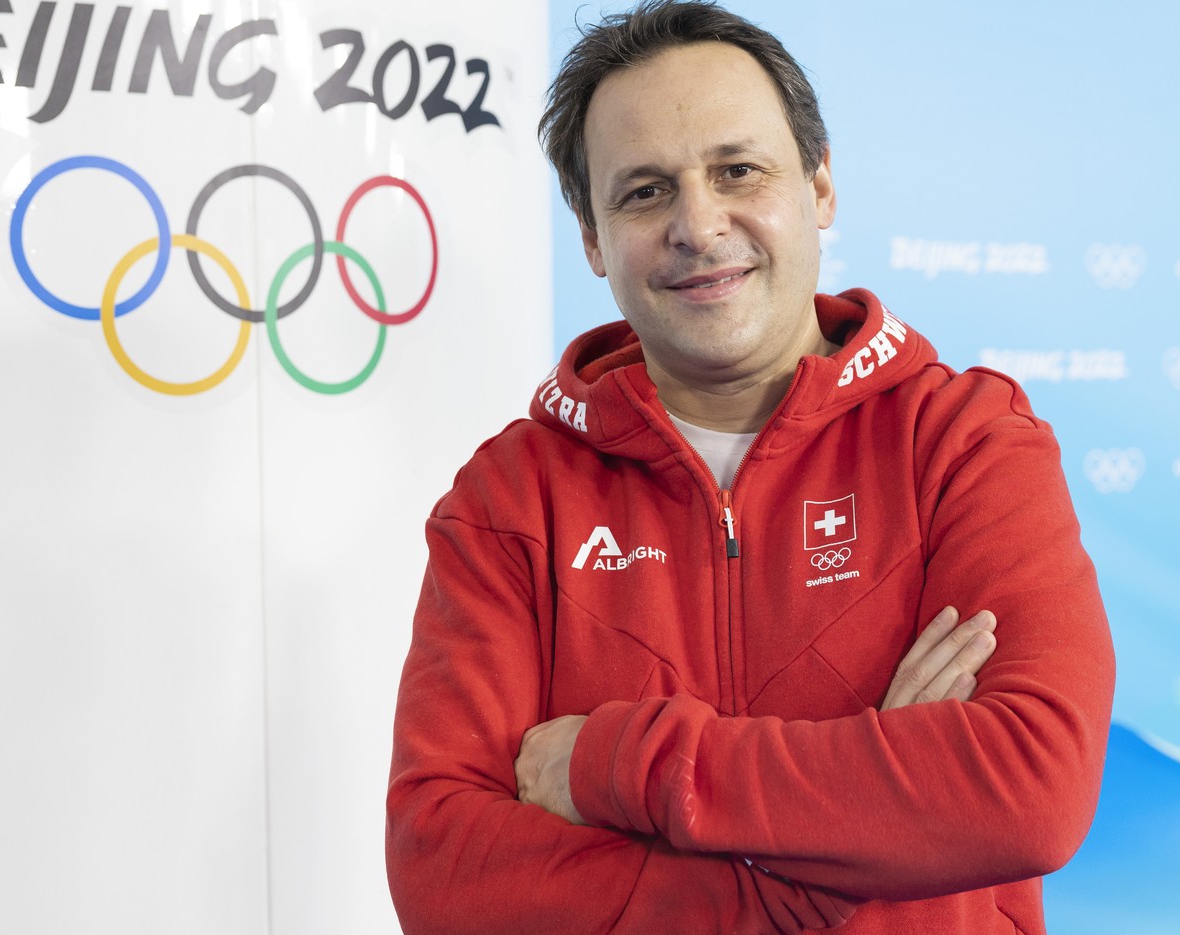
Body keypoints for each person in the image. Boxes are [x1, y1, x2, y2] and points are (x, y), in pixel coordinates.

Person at [386, 1, 1114, 931]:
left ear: (818, 188)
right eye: (644, 191)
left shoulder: (964, 439)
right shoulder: (509, 500)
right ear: (593, 240)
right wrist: (814, 875)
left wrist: (620, 765)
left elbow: (1028, 781)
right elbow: (443, 869)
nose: (698, 223)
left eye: (737, 170)